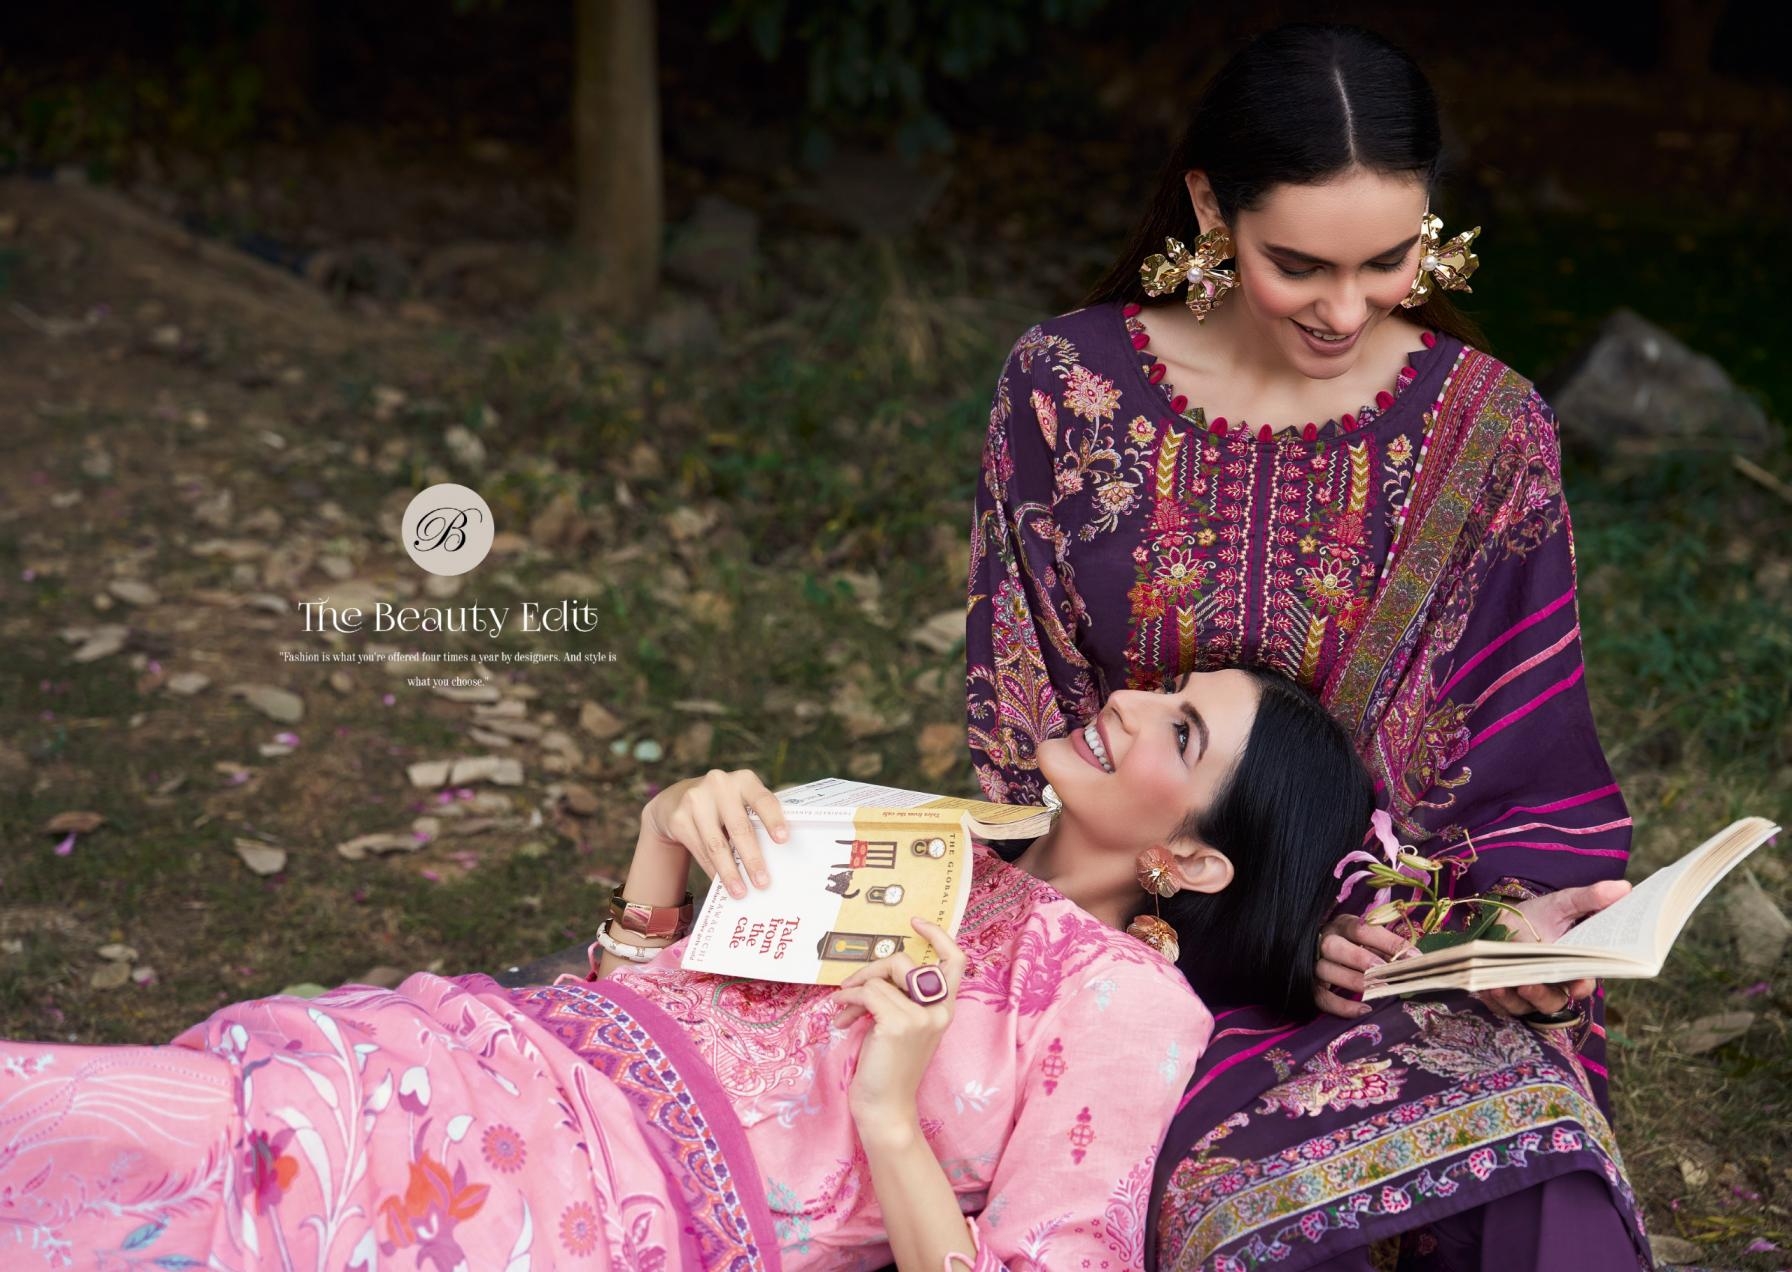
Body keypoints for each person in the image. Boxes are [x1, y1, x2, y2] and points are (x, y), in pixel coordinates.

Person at [964, 22, 1652, 1272]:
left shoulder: (1486, 431)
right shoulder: (1066, 388)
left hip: (1397, 959)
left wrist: (1499, 930)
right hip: (1132, 947)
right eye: (1297, 266)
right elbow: (1031, 739)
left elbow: (1522, 756)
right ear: (1208, 208)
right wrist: (1251, 936)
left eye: (1390, 260)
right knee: (1245, 1208)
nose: (1345, 310)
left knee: (1538, 1186)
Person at [0, 666, 1375, 1271]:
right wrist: (662, 845)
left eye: (1180, 732)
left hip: (604, 1209)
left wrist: (892, 1115)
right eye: (1166, 688)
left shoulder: (1125, 1006)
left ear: (1195, 864)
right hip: (497, 1060)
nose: (1129, 700)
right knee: (158, 1125)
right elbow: (636, 1003)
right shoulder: (931, 836)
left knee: (254, 1196)